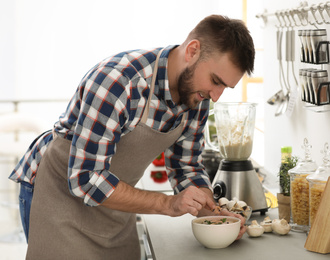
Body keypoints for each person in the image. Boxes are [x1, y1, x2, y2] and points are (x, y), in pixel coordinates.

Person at [9, 14, 255, 259]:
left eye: (225, 87)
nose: (216, 96)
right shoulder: (118, 81)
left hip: (114, 210)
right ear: (192, 51)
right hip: (60, 197)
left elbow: (186, 166)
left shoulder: (197, 96)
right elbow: (86, 179)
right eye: (215, 81)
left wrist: (213, 214)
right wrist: (168, 204)